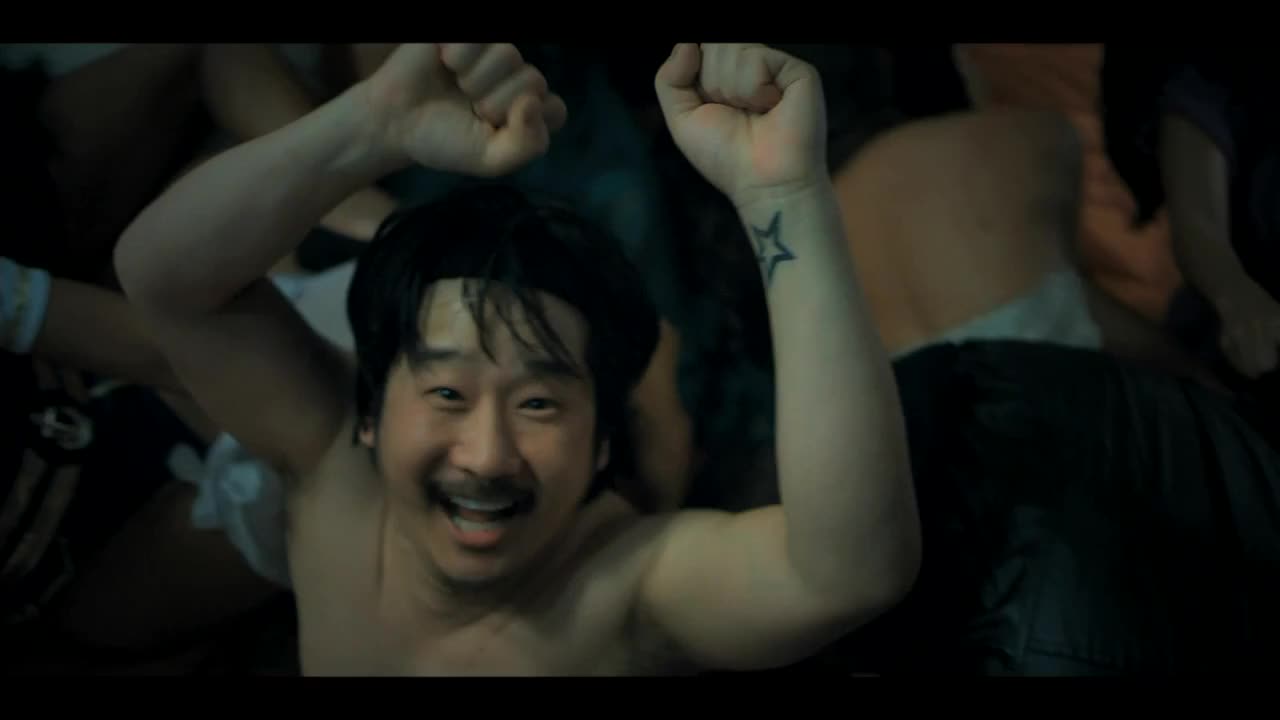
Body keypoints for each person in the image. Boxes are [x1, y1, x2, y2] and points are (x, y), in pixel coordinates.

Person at [114, 43, 920, 675]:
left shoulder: (626, 591)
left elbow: (846, 575)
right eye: (447, 394)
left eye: (538, 403)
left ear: (602, 443)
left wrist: (784, 197)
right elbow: (164, 279)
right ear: (370, 413)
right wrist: (370, 124)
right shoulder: (332, 474)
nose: (487, 456)